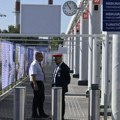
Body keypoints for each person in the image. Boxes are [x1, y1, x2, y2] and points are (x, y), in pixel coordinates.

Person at [29, 51, 49, 118]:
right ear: (36, 56)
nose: (42, 58)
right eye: (41, 56)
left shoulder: (38, 63)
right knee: (36, 99)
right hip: (36, 82)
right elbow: (33, 75)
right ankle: (34, 114)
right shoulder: (34, 64)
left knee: (41, 98)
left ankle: (41, 113)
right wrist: (35, 84)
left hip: (40, 82)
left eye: (42, 56)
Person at [52, 53, 71, 120]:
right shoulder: (57, 66)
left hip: (60, 88)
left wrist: (62, 85)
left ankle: (61, 115)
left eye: (56, 60)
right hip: (55, 88)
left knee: (61, 102)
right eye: (54, 60)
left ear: (60, 58)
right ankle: (56, 114)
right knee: (56, 102)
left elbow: (68, 79)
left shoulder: (64, 67)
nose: (55, 61)